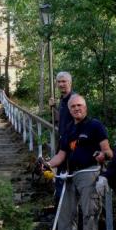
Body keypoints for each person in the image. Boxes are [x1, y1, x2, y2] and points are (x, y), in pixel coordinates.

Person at [42, 94, 112, 230]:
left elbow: (107, 150)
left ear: (85, 107)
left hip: (89, 172)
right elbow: (61, 155)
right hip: (69, 175)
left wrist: (102, 156)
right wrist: (48, 164)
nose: (76, 109)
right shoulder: (68, 129)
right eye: (73, 106)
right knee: (65, 217)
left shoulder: (95, 126)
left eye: (79, 105)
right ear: (70, 110)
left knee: (89, 216)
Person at [48, 72, 76, 206]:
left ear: (70, 82)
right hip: (62, 146)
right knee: (60, 179)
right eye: (59, 82)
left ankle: (67, 213)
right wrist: (53, 108)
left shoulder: (74, 100)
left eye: (64, 81)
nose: (61, 84)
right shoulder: (63, 101)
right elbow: (61, 120)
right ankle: (62, 214)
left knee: (67, 181)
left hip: (72, 148)